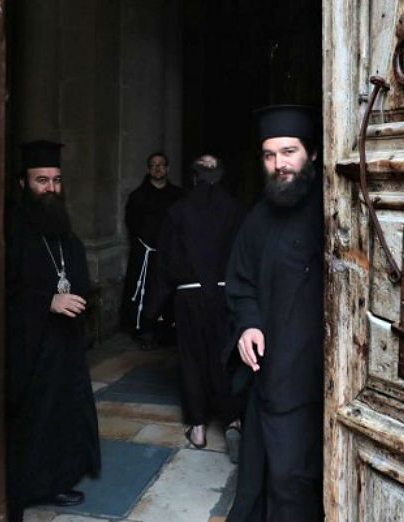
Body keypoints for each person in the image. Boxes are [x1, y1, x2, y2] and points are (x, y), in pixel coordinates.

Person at [225, 105, 324, 522]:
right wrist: (247, 325)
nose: (279, 164)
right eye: (269, 155)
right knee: (267, 478)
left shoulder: (332, 212)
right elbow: (240, 281)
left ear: (312, 155)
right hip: (270, 375)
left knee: (300, 482)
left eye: (289, 151)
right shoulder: (257, 218)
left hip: (318, 378)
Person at [5, 140, 101, 520]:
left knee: (63, 412)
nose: (50, 188)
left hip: (64, 343)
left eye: (56, 180)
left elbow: (71, 268)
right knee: (34, 417)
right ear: (22, 183)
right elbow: (2, 289)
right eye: (41, 180)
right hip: (29, 344)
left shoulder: (62, 227)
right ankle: (27, 488)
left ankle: (57, 481)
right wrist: (48, 301)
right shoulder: (11, 229)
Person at [148, 154, 245, 454]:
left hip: (188, 296)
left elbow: (165, 260)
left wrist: (153, 308)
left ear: (193, 178)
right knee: (226, 358)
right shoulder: (235, 210)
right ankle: (233, 422)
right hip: (225, 294)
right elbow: (245, 257)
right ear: (219, 177)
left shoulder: (179, 210)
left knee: (191, 360)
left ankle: (199, 429)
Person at [121, 151, 185, 346]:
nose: (157, 168)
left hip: (170, 253)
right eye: (153, 165)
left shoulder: (179, 196)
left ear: (168, 168)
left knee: (169, 293)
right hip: (145, 254)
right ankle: (143, 331)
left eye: (161, 164)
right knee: (145, 292)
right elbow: (132, 224)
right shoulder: (137, 197)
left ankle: (168, 332)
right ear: (148, 169)